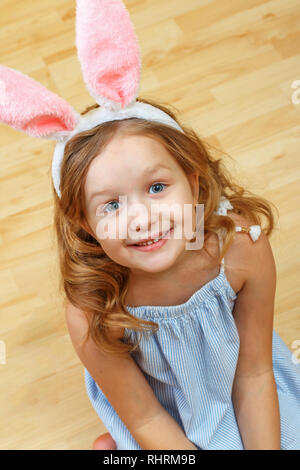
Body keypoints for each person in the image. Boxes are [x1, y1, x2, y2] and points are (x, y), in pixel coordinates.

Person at [1, 0, 300, 451]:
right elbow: (145, 416)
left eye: (157, 187)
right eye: (112, 205)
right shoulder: (92, 309)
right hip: (158, 422)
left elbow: (255, 373)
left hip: (245, 388)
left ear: (194, 181)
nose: (142, 218)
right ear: (84, 221)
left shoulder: (242, 250)